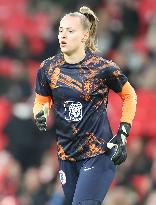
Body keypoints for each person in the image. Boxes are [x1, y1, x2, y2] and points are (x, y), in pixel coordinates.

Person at [33, 6, 137, 205]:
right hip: (66, 155)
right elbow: (41, 100)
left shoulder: (103, 68)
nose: (63, 35)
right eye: (61, 30)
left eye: (70, 31)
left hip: (98, 153)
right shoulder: (48, 68)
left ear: (84, 36)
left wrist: (123, 132)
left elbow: (130, 95)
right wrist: (41, 112)